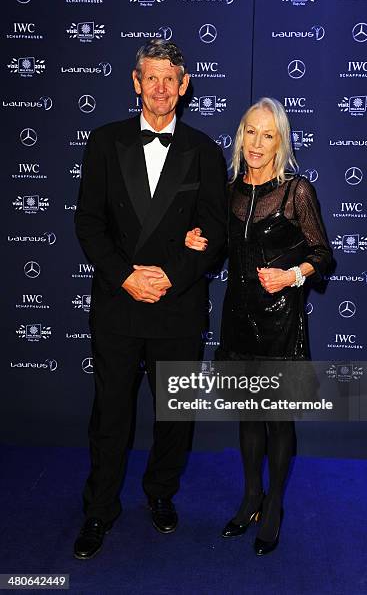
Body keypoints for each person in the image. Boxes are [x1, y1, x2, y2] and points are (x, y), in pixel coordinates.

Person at [73, 39, 227, 560]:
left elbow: (215, 231)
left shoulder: (205, 150)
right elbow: (89, 223)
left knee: (174, 416)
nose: (161, 88)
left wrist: (169, 275)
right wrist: (125, 277)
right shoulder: (103, 141)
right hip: (119, 305)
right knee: (111, 413)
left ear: (184, 87)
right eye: (151, 77)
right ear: (136, 83)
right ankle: (99, 509)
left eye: (170, 79)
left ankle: (161, 494)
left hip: (178, 306)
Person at [185, 97, 332, 556]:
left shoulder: (296, 192)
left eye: (268, 134)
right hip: (238, 319)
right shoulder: (228, 190)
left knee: (277, 418)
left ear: (280, 141)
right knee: (248, 415)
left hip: (282, 323)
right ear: (241, 134)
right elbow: (216, 253)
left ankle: (274, 507)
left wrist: (292, 276)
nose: (257, 142)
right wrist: (194, 243)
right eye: (251, 131)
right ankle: (251, 497)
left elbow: (323, 255)